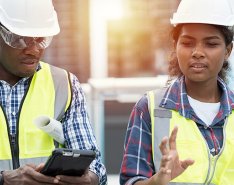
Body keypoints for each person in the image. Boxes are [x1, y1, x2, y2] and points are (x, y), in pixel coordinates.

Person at [120, 0, 234, 184]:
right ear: (176, 46)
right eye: (188, 43)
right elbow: (131, 180)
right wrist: (157, 181)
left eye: (211, 44)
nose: (198, 52)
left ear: (227, 50)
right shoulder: (149, 108)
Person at [0, 0, 107, 184]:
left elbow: (94, 164)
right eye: (20, 39)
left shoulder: (64, 84)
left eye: (41, 39)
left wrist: (91, 178)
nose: (34, 50)